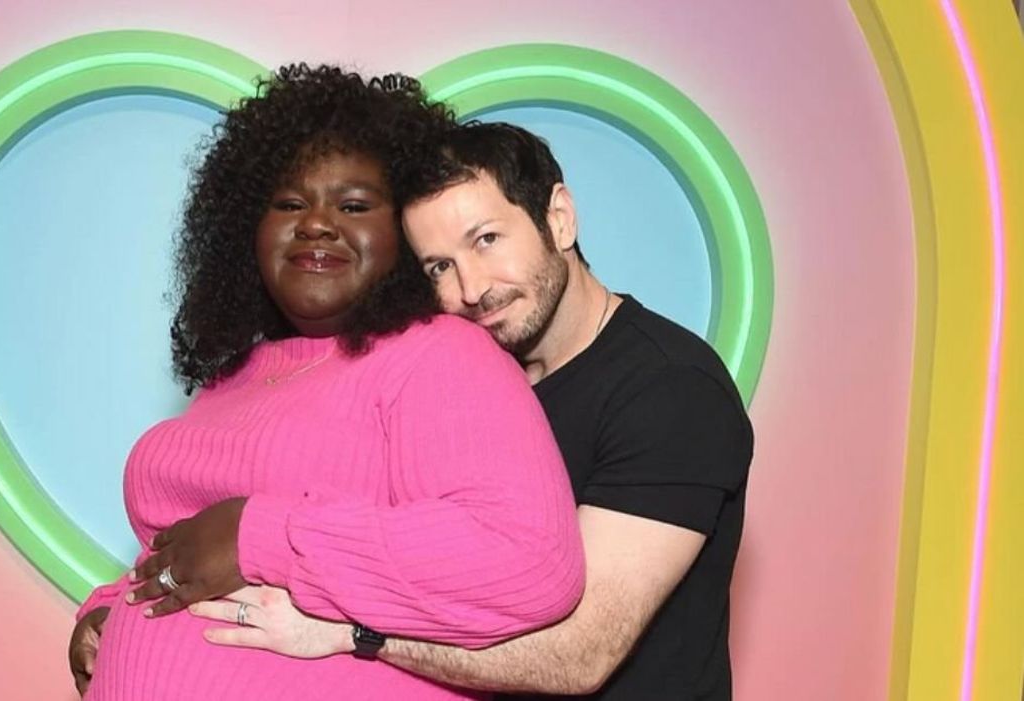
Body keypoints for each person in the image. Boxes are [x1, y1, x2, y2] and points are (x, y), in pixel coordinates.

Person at [66, 68, 586, 700]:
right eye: (289, 203)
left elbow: (525, 562)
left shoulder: (440, 355)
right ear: (244, 231)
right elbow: (193, 550)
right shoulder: (237, 375)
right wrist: (114, 609)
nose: (316, 223)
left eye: (354, 206)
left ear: (404, 238)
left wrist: (261, 536)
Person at [188, 122, 754, 700]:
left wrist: (353, 633)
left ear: (558, 218)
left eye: (486, 239)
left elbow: (581, 655)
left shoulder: (670, 389)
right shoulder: (463, 383)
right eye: (438, 266)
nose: (472, 287)